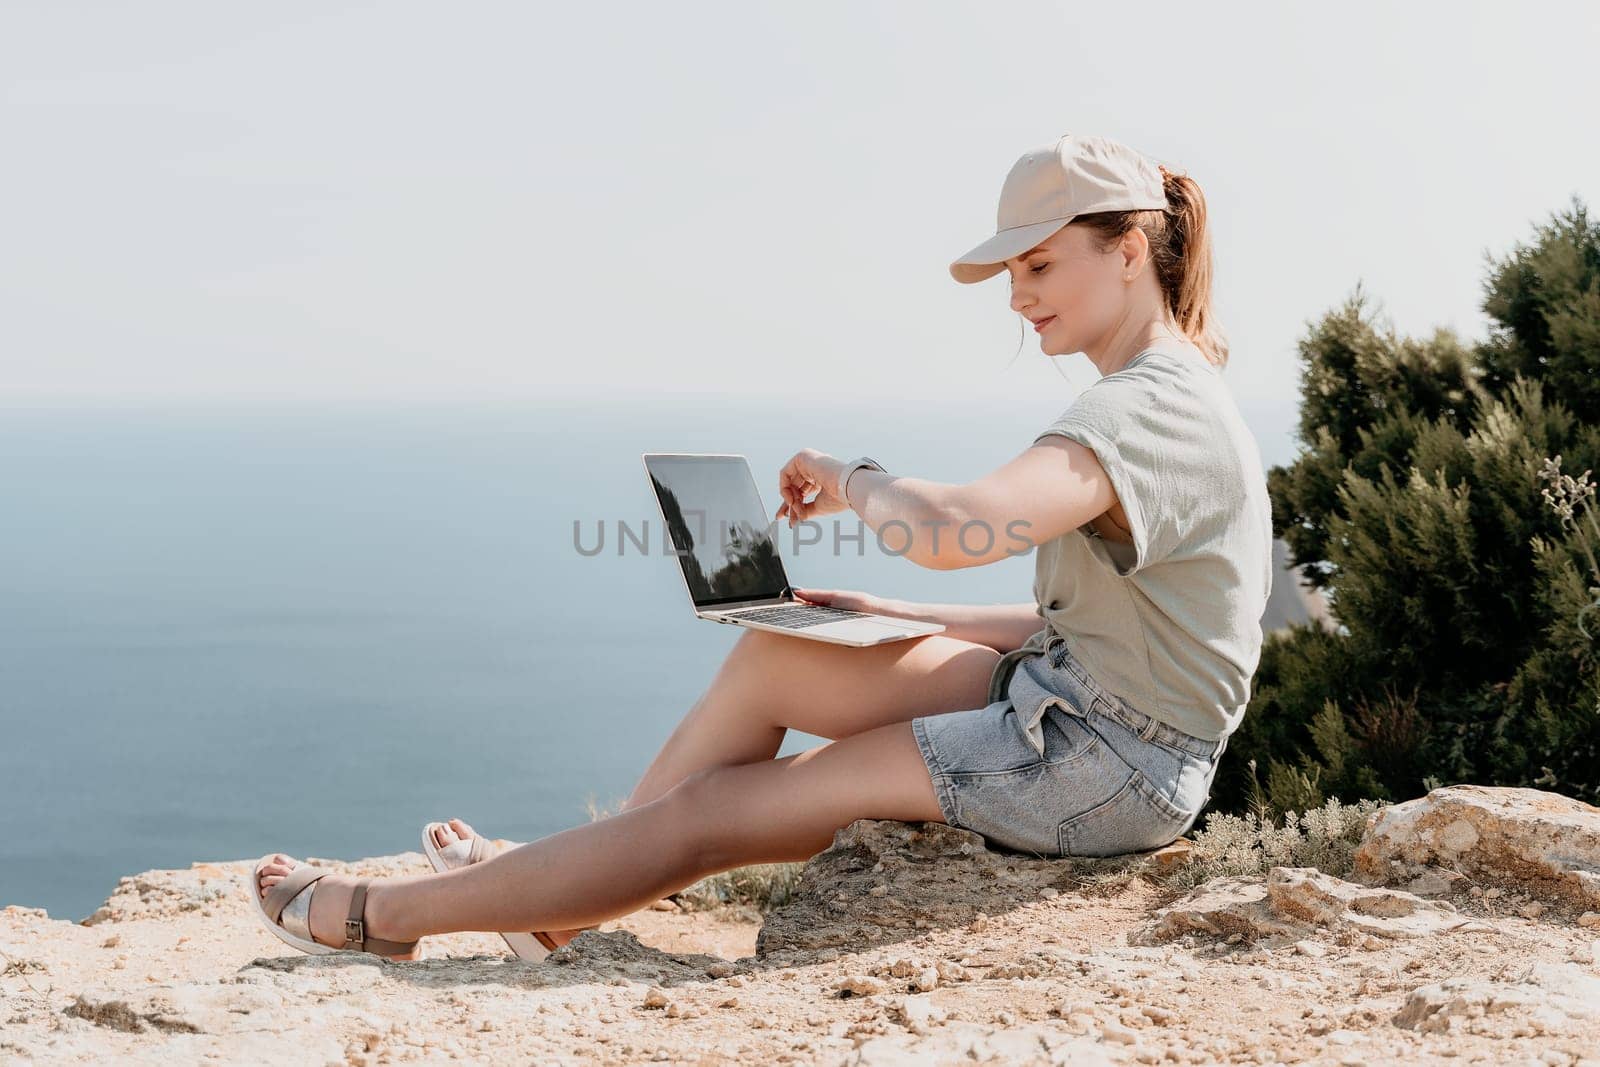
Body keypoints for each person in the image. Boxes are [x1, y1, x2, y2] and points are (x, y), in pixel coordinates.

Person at [249, 133, 1274, 961]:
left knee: (721, 808)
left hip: (1103, 760)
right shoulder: (1156, 395)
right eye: (1012, 269)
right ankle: (553, 890)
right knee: (776, 654)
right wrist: (887, 616)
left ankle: (380, 918)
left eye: (1040, 263)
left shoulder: (1151, 411)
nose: (1017, 294)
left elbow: (957, 529)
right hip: (1066, 697)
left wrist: (849, 476)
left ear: (1129, 249)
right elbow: (1093, 626)